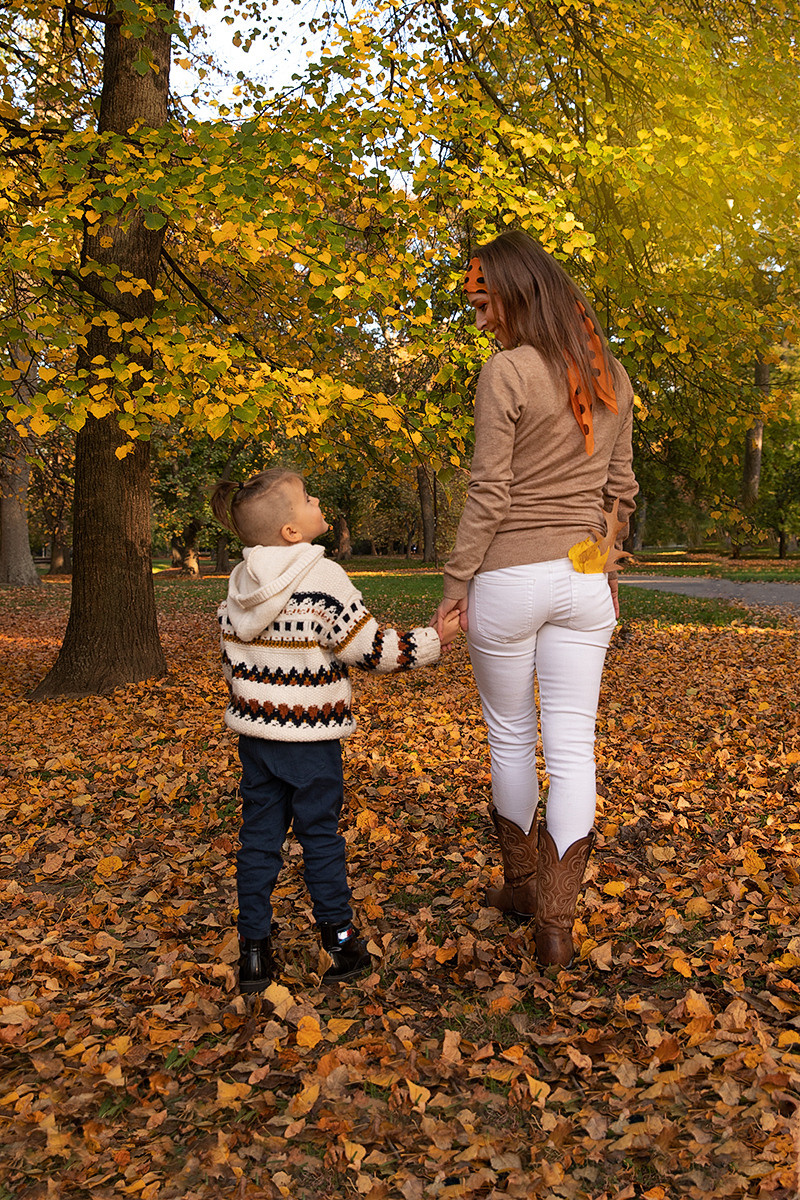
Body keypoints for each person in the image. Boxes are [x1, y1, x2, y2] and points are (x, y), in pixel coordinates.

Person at [435, 231, 638, 968]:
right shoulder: (608, 370)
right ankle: (555, 922)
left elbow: (489, 491)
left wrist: (456, 580)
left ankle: (523, 888)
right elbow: (621, 492)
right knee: (574, 747)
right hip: (585, 584)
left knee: (512, 737)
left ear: (519, 294)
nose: (479, 316)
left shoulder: (508, 372)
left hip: (509, 581)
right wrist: (606, 561)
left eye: (485, 301)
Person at [212, 467, 461, 993]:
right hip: (310, 739)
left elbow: (235, 660)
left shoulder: (239, 586)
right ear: (290, 531)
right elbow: (369, 650)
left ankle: (253, 952)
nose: (317, 498)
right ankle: (340, 942)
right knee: (319, 836)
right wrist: (436, 639)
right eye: (306, 497)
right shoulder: (321, 580)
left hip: (257, 738)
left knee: (258, 841)